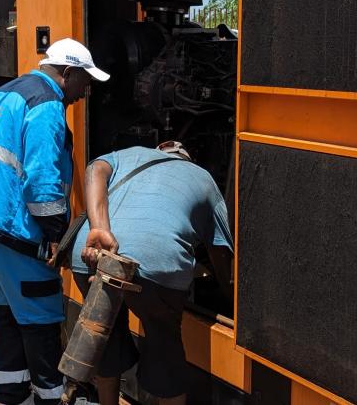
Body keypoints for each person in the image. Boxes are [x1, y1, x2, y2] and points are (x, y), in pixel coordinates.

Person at [0, 38, 110, 405]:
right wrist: (57, 236)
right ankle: (49, 397)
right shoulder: (47, 106)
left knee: (10, 314)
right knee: (41, 319)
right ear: (68, 73)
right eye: (84, 83)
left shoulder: (7, 91)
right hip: (16, 231)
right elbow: (41, 180)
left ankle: (12, 394)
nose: (84, 93)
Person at [70, 141, 234, 405]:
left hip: (89, 253)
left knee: (106, 335)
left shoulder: (128, 153)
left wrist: (100, 228)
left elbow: (95, 168)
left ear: (157, 151)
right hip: (154, 263)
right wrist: (230, 296)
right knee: (163, 346)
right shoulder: (203, 178)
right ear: (187, 159)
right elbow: (220, 253)